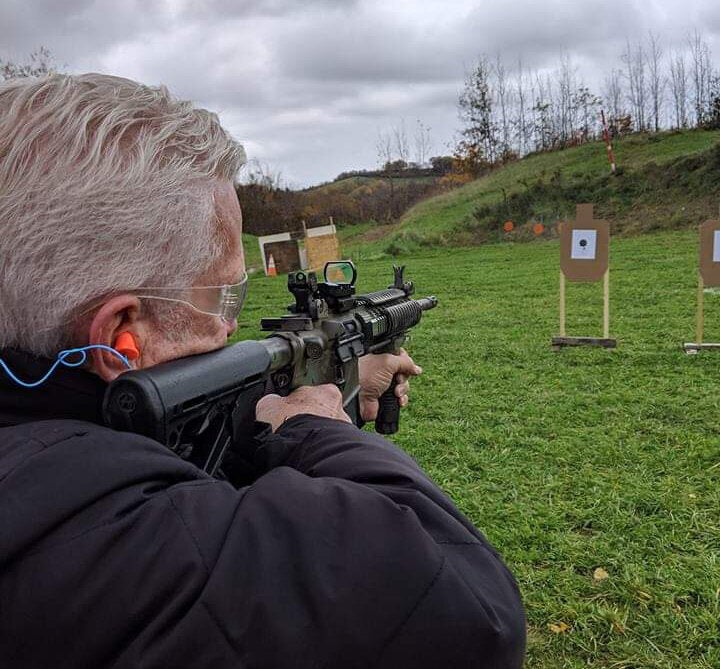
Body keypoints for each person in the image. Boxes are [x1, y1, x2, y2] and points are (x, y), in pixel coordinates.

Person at [0, 73, 525, 668]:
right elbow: (474, 613)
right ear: (123, 336)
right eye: (224, 300)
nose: (230, 331)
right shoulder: (133, 552)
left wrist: (302, 405)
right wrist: (319, 431)